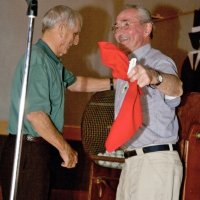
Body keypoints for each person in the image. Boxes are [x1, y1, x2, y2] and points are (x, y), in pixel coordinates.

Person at [0, 5, 112, 200]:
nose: (76, 41)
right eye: (75, 34)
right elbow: (36, 115)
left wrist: (114, 84)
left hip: (38, 150)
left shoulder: (51, 62)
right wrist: (65, 148)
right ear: (61, 28)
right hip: (28, 151)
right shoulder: (37, 59)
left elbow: (76, 83)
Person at [111, 5, 183, 200]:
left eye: (126, 25)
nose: (119, 32)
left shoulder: (159, 62)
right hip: (131, 162)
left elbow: (176, 88)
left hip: (155, 162)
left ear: (147, 28)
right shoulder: (124, 69)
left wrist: (153, 77)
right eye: (116, 27)